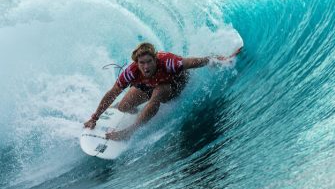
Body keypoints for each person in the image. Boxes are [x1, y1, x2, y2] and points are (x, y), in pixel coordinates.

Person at [83, 42, 241, 140]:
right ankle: (136, 109)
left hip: (173, 85)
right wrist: (95, 117)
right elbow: (112, 92)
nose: (146, 66)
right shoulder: (131, 71)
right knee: (123, 106)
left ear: (155, 59)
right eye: (142, 63)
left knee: (157, 93)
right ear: (136, 63)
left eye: (149, 62)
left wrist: (220, 59)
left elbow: (198, 60)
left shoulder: (169, 63)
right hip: (150, 85)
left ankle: (129, 132)